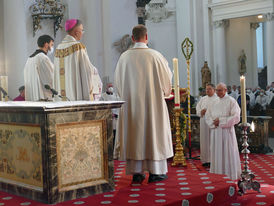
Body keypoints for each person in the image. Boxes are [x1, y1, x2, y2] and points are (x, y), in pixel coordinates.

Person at [114, 25, 173, 184]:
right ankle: (156, 172)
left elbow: (117, 84)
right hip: (153, 105)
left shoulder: (124, 57)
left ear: (132, 38)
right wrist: (166, 93)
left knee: (136, 136)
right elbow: (167, 81)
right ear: (146, 37)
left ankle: (137, 172)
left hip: (131, 105)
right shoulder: (156, 56)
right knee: (153, 134)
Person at [54, 19, 102, 101]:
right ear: (76, 32)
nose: (82, 33)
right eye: (82, 30)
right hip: (76, 96)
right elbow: (87, 70)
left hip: (61, 99)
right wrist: (95, 71)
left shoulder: (58, 48)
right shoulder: (78, 47)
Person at [205, 83, 241, 180]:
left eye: (220, 90)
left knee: (227, 151)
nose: (218, 92)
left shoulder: (231, 101)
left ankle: (229, 174)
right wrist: (213, 123)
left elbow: (236, 117)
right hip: (216, 131)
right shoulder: (214, 101)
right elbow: (207, 115)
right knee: (217, 152)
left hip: (226, 132)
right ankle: (217, 174)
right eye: (217, 90)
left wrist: (220, 121)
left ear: (225, 90)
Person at [24, 35, 54, 101]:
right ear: (46, 45)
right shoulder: (42, 57)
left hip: (31, 96)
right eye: (51, 45)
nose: (52, 47)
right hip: (43, 96)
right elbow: (50, 76)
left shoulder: (29, 59)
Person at [196, 84, 218, 167]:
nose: (207, 91)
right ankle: (205, 160)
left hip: (213, 123)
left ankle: (214, 160)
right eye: (206, 89)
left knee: (213, 140)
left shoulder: (217, 99)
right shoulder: (203, 99)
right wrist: (201, 112)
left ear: (214, 90)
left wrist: (209, 112)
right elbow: (198, 109)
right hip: (204, 122)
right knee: (204, 140)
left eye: (209, 89)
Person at [101, 83, 120, 147]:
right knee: (108, 133)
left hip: (115, 117)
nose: (111, 88)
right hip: (108, 117)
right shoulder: (103, 96)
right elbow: (102, 107)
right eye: (109, 86)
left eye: (112, 86)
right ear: (106, 88)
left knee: (115, 132)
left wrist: (116, 114)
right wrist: (109, 114)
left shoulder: (116, 96)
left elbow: (119, 106)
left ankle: (115, 146)